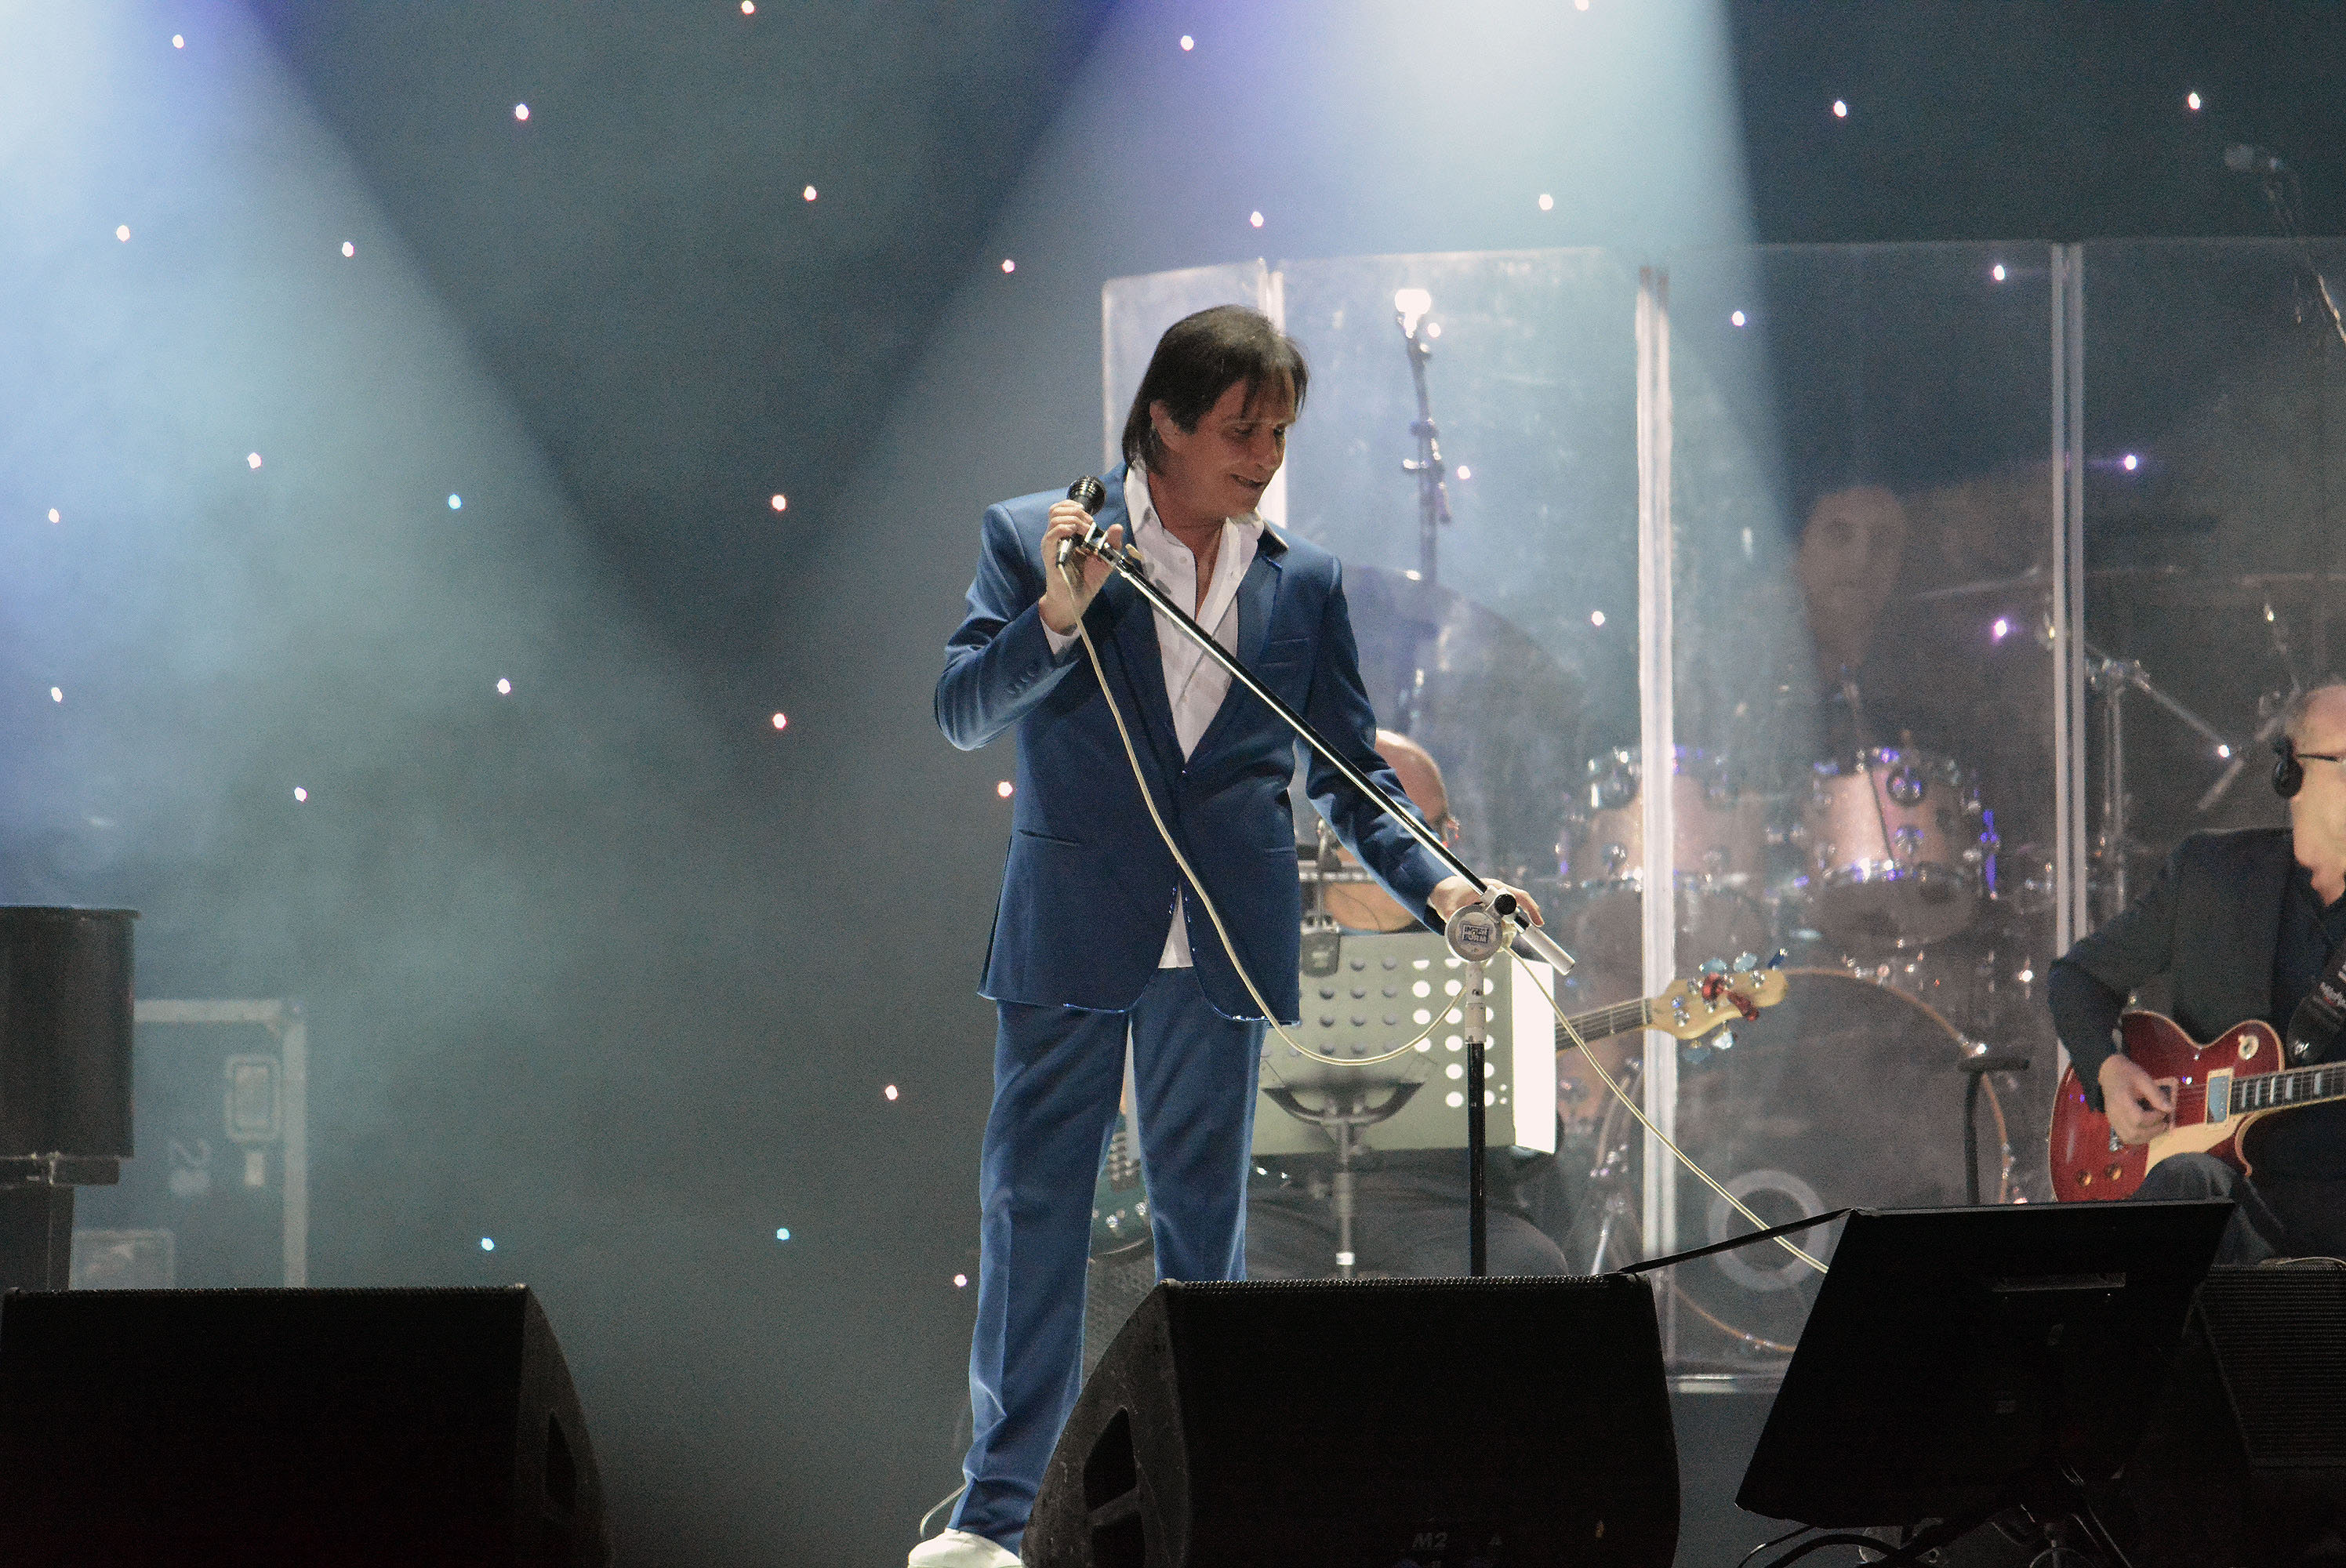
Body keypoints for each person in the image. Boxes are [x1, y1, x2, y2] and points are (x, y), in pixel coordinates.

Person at [922, 304, 1540, 1568]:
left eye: (1279, 435)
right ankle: (997, 1515)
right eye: (1239, 431)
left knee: (1205, 1237)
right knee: (1034, 1211)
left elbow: (1350, 772)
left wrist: (1448, 892)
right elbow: (960, 711)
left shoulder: (1301, 580)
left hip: (1221, 938)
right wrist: (1056, 614)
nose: (1263, 457)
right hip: (1074, 928)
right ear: (1163, 420)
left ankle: (1201, 1500)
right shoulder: (1042, 534)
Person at [1249, 728, 1574, 1280]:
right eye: (1392, 826)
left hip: (1441, 1204)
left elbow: (1534, 1148)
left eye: (1431, 828)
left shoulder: (1487, 939)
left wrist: (1525, 1101)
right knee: (1207, 1277)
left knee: (1530, 1266)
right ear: (1336, 829)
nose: (1417, 849)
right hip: (1285, 1203)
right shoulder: (1262, 924)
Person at [2047, 679, 2346, 1264]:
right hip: (2227, 1201)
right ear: (2292, 771)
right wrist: (2108, 1071)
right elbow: (2078, 978)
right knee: (2186, 1181)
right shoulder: (2211, 874)